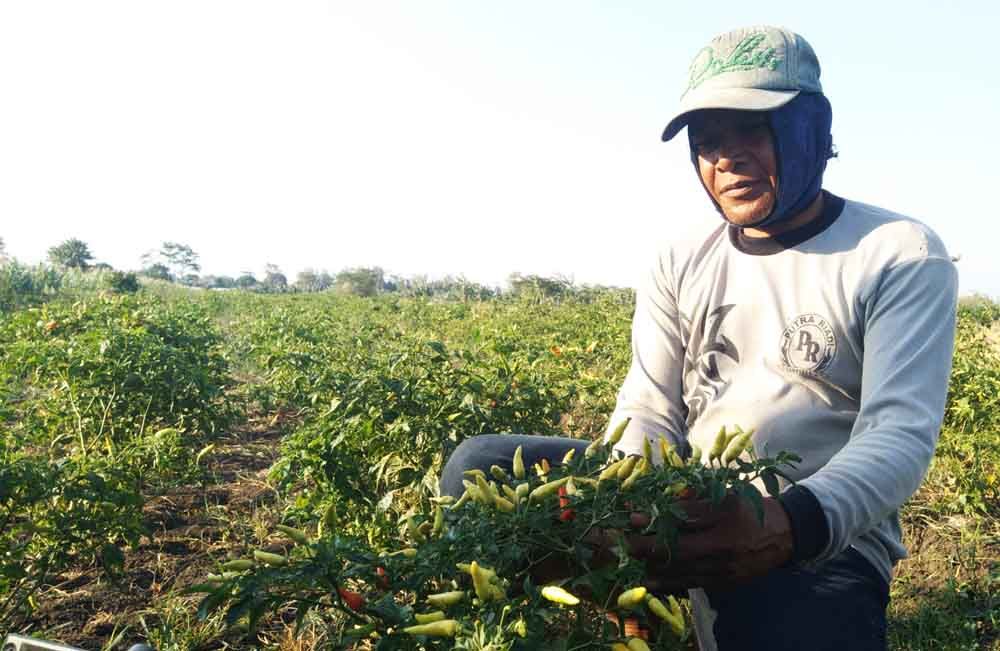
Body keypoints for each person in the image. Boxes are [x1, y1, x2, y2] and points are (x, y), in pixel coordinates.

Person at [440, 25, 958, 651]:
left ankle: (691, 603)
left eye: (752, 131)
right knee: (480, 468)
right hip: (686, 499)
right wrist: (626, 503)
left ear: (812, 131)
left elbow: (897, 434)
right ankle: (627, 601)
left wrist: (786, 524)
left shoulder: (897, 252)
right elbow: (649, 405)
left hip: (813, 532)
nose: (726, 159)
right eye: (708, 142)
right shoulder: (682, 257)